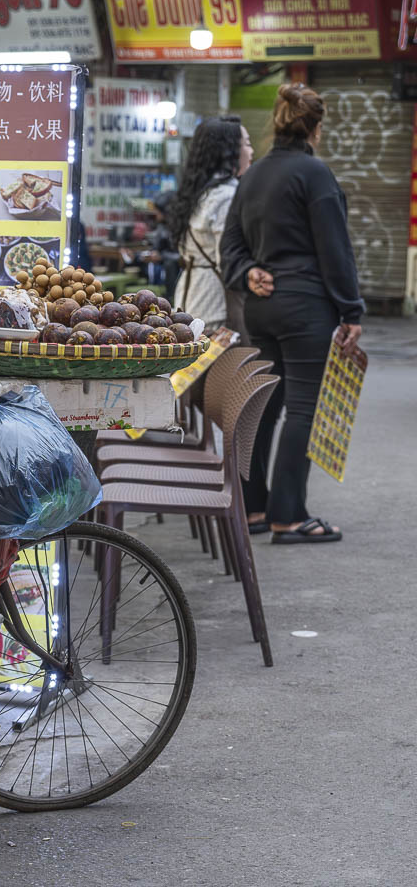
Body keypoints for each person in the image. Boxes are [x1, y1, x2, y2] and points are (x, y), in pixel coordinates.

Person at [221, 84, 363, 544]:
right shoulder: (315, 175)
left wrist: (246, 273)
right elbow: (334, 250)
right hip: (306, 309)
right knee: (303, 409)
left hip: (262, 310)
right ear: (315, 128)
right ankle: (289, 515)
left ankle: (256, 508)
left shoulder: (255, 174)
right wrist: (351, 310)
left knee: (267, 407)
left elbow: (231, 247)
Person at [169, 115, 254, 334]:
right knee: (218, 367)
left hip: (189, 295)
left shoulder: (197, 192)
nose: (251, 151)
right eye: (246, 144)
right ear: (229, 152)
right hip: (215, 303)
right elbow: (227, 258)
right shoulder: (226, 195)